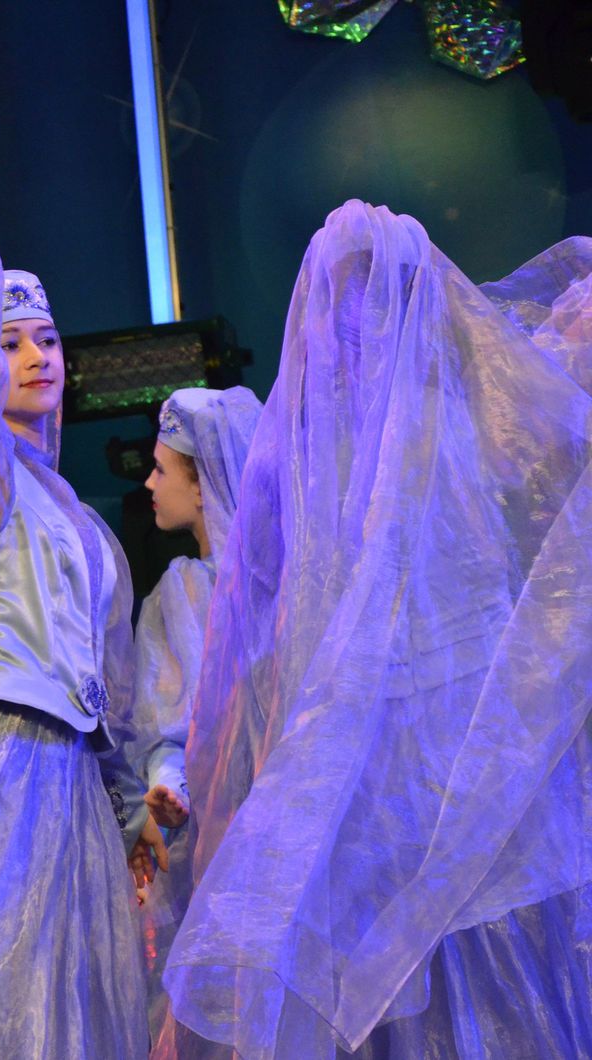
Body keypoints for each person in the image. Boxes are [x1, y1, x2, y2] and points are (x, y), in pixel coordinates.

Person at [164, 200, 592, 1058]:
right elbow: (270, 639)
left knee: (479, 955)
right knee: (397, 974)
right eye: (341, 301)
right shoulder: (309, 458)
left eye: (376, 292)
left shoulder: (467, 419)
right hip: (376, 771)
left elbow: (557, 442)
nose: (356, 323)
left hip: (466, 754)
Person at [124, 385, 261, 1054]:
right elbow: (168, 726)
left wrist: (171, 779)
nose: (150, 484)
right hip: (227, 825)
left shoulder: (189, 589)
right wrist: (167, 787)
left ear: (202, 484)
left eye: (161, 469)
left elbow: (168, 718)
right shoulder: (191, 590)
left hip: (244, 827)